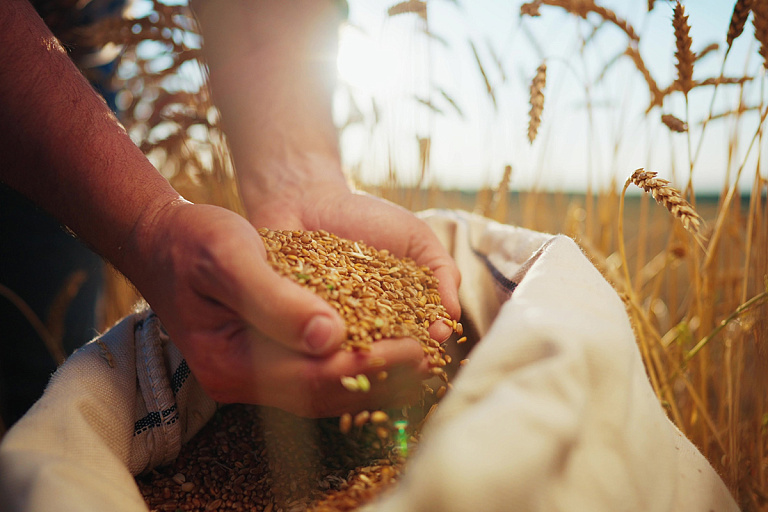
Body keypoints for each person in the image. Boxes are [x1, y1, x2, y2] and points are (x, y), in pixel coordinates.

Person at [0, 0, 461, 420]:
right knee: (31, 373)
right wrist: (149, 223)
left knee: (44, 370)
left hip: (79, 44)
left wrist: (297, 175)